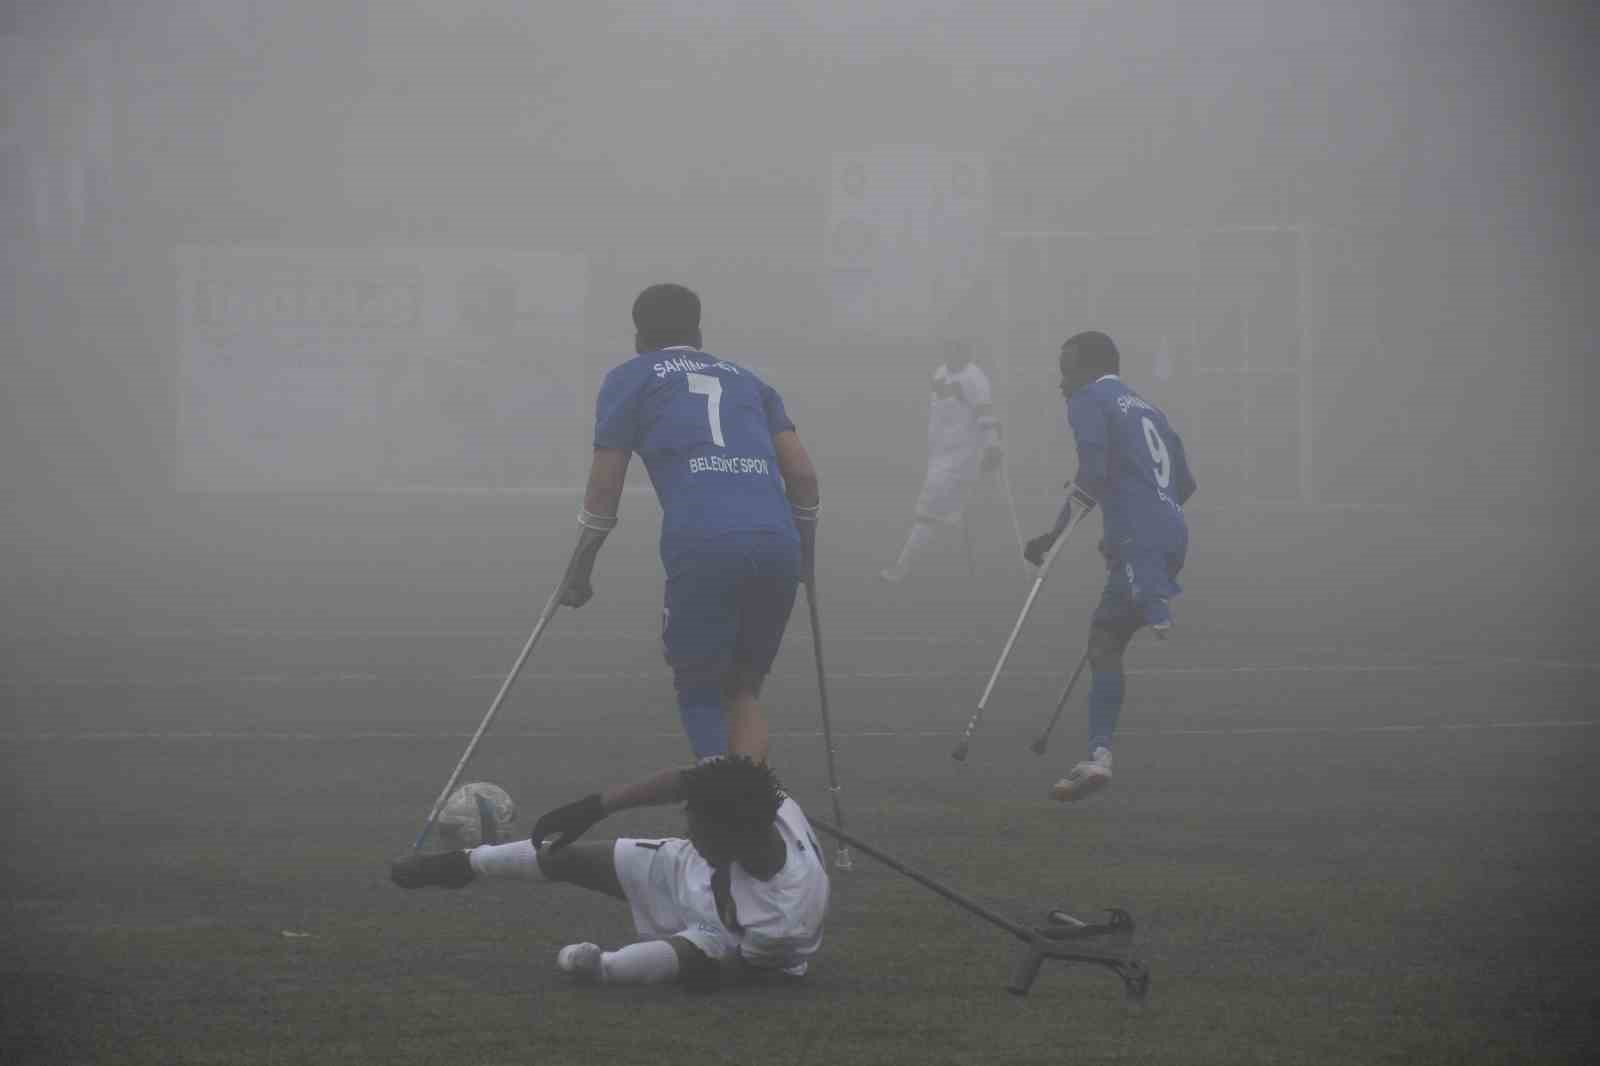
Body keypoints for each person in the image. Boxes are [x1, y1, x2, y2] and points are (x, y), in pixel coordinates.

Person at [561, 284, 820, 761]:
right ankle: (750, 802)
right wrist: (805, 555)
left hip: (704, 543)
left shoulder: (630, 378)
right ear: (698, 334)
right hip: (777, 540)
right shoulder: (750, 381)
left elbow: (603, 493)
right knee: (742, 688)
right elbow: (803, 477)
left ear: (639, 339)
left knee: (700, 691)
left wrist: (579, 570)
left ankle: (726, 804)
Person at [390, 755, 830, 991]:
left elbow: (734, 974)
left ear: (737, 834)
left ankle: (599, 967)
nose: (687, 832)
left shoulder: (782, 923)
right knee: (565, 858)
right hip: (691, 870)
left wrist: (682, 961)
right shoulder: (750, 797)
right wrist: (595, 807)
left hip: (725, 936)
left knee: (688, 961)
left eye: (698, 829)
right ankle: (460, 864)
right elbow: (685, 780)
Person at [1022, 331, 1196, 802]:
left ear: (1089, 369)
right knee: (1105, 638)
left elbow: (1092, 474)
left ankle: (1099, 756)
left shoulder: (1088, 400)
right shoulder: (1149, 410)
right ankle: (1096, 755)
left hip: (1138, 540)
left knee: (1107, 638)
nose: (1061, 383)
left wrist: (1052, 537)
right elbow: (1185, 484)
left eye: (1066, 371)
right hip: (1173, 533)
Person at [880, 340, 1004, 583]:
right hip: (938, 454)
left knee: (928, 510)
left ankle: (902, 568)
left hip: (961, 456)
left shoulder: (975, 379)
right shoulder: (940, 373)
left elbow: (985, 413)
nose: (952, 353)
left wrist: (992, 445)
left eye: (959, 348)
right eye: (949, 348)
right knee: (950, 511)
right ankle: (959, 569)